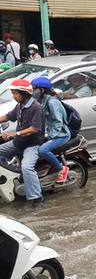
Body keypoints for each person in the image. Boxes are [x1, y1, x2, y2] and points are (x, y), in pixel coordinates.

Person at [0, 79, 45, 207]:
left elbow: (34, 129)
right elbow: (8, 116)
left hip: (32, 145)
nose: (14, 96)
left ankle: (37, 198)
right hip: (19, 143)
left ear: (24, 93)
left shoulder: (36, 108)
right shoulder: (20, 106)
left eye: (16, 94)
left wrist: (14, 134)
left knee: (26, 167)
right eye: (13, 94)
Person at [31, 77, 70, 183]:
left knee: (43, 150)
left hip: (61, 135)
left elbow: (58, 122)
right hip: (52, 133)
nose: (33, 91)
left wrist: (50, 137)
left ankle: (61, 168)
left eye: (35, 89)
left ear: (42, 90)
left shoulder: (52, 102)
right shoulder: (43, 101)